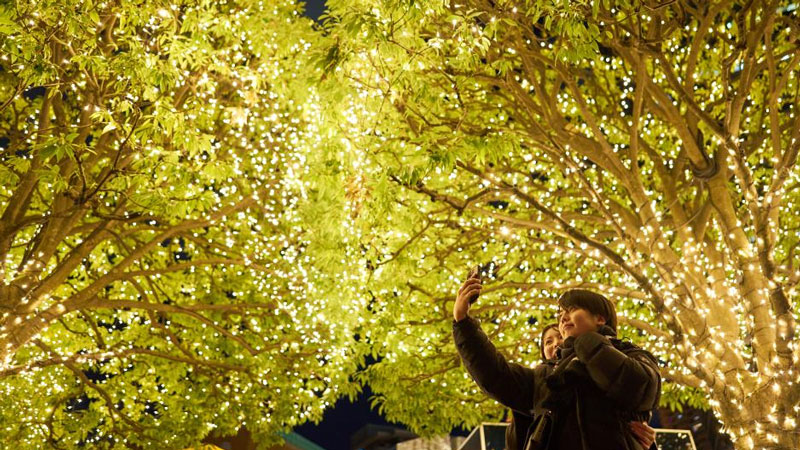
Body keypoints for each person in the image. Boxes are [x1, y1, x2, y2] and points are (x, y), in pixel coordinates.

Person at [453, 269, 661, 450]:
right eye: (560, 314)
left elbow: (640, 387)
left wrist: (586, 341)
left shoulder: (633, 355)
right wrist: (463, 323)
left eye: (571, 310)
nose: (562, 318)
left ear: (600, 318)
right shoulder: (544, 376)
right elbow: (496, 374)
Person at [505, 324, 657, 450]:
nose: (556, 343)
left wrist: (644, 441)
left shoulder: (600, 374)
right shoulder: (534, 385)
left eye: (560, 337)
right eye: (548, 342)